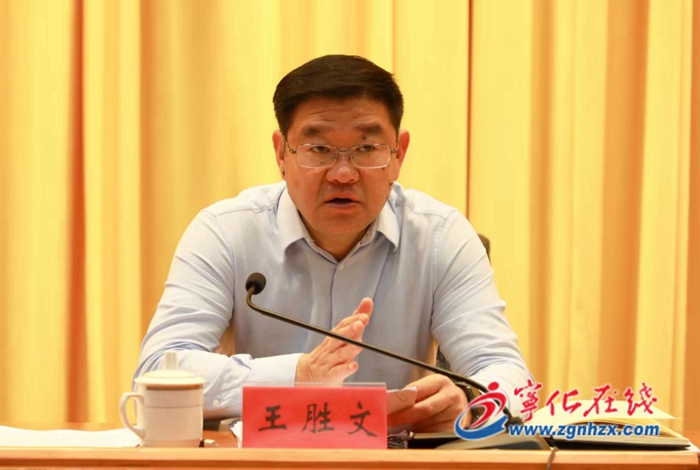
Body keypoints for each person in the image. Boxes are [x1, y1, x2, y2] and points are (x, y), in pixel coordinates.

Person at [134, 55, 533, 433]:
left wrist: (468, 402)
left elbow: (509, 374)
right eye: (319, 149)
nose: (343, 174)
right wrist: (298, 375)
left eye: (367, 149)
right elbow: (157, 372)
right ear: (281, 154)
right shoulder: (225, 232)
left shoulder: (440, 237)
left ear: (398, 154)